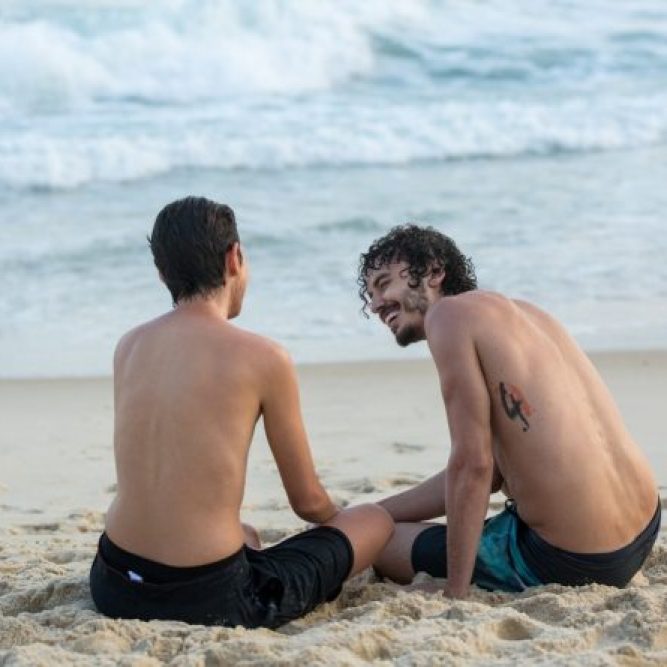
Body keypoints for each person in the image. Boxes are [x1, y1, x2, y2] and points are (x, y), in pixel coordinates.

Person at [89, 196, 393, 628]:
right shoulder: (263, 357)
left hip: (114, 580)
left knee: (244, 533)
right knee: (374, 520)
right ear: (234, 258)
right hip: (209, 597)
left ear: (161, 272)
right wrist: (337, 523)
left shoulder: (130, 345)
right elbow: (308, 502)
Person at [358, 224, 659, 598]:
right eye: (371, 294)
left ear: (433, 272)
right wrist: (375, 511)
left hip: (569, 559)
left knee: (379, 542)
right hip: (641, 534)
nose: (376, 304)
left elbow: (473, 465)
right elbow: (492, 472)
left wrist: (456, 590)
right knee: (376, 523)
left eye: (384, 284)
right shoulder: (527, 315)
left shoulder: (446, 315)